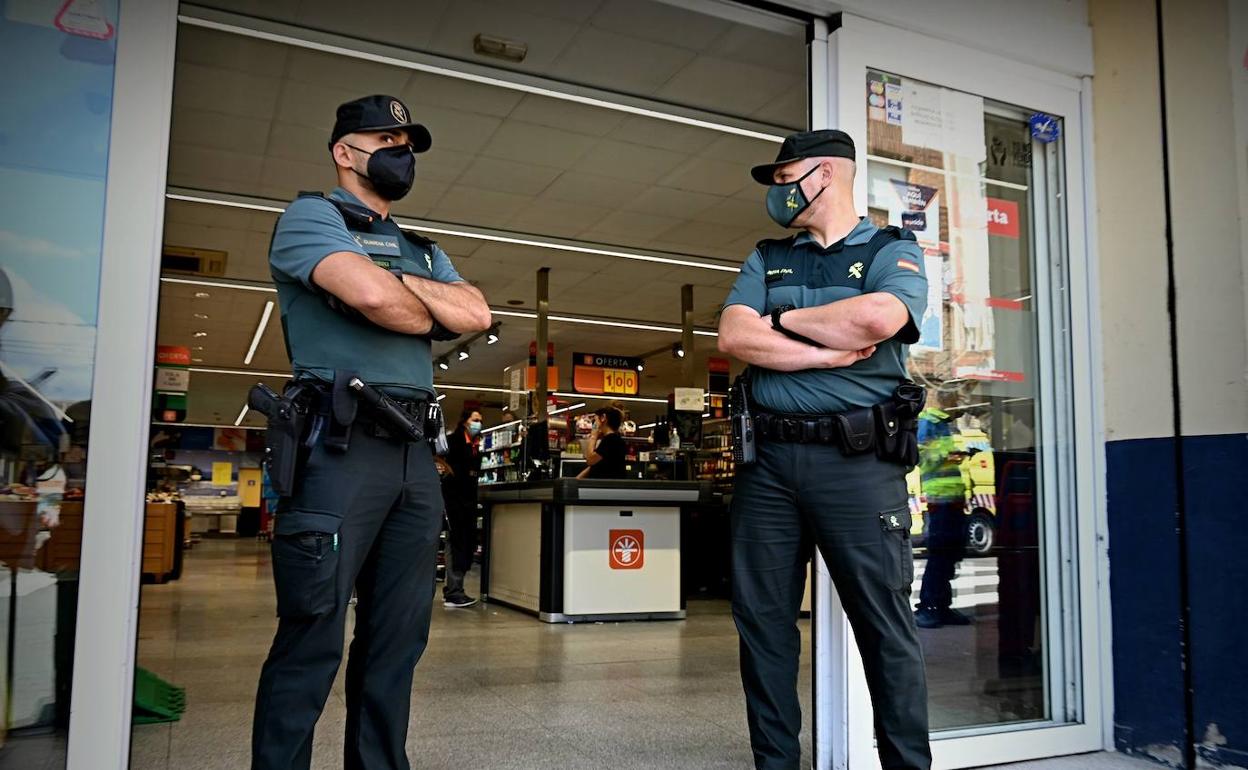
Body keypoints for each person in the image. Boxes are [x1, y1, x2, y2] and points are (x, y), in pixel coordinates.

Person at [251, 94, 491, 770]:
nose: (400, 150)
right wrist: (416, 302)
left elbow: (474, 312)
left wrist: (397, 283)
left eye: (408, 140)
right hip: (338, 450)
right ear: (344, 151)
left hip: (416, 461)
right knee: (312, 635)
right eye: (384, 138)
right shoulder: (310, 218)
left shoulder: (421, 246)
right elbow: (376, 300)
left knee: (396, 641)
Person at [717, 129, 931, 770]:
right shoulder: (767, 257)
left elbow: (876, 321)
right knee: (763, 628)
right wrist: (826, 345)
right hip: (769, 469)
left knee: (884, 630)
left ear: (828, 174)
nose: (778, 192)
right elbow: (733, 335)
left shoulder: (893, 248)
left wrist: (777, 320)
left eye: (786, 178)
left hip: (858, 466)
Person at [914, 390, 972, 629]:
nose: (962, 406)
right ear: (947, 401)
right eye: (959, 401)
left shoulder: (949, 426)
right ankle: (928, 607)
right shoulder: (929, 423)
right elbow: (920, 456)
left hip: (953, 499)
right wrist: (952, 455)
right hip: (940, 500)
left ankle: (942, 606)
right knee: (939, 554)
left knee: (949, 554)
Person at [441, 408, 482, 608]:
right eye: (475, 420)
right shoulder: (454, 441)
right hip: (454, 501)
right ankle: (454, 591)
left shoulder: (474, 444)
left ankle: (454, 589)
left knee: (464, 543)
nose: (479, 423)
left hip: (467, 501)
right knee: (456, 543)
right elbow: (439, 459)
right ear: (465, 421)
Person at [577, 407, 626, 479]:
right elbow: (596, 465)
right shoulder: (613, 439)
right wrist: (576, 480)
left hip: (607, 487)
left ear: (603, 418)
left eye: (595, 420)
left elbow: (590, 460)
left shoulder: (611, 439)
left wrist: (593, 436)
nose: (594, 425)